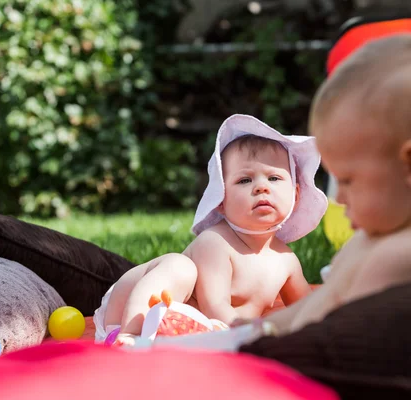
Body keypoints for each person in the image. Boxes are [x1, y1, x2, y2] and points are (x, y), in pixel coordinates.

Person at [235, 34, 411, 337]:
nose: (340, 199)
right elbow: (320, 303)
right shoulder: (382, 235)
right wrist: (261, 328)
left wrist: (262, 348)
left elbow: (346, 341)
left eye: (348, 181)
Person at [92, 114, 329, 346]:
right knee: (179, 265)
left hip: (191, 332)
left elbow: (307, 310)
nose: (261, 188)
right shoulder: (216, 242)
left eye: (274, 178)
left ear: (296, 195)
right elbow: (213, 306)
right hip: (129, 312)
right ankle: (131, 335)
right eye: (245, 180)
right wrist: (253, 337)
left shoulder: (286, 260)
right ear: (221, 202)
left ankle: (161, 335)